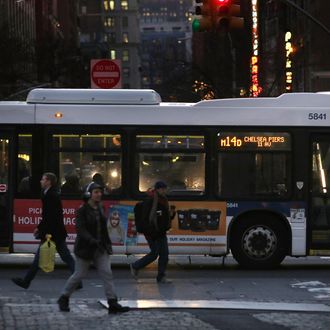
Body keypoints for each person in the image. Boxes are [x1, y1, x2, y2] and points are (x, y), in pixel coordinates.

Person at [57, 182, 129, 313]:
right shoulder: (82, 210)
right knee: (79, 275)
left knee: (107, 274)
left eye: (100, 192)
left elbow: (103, 228)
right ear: (89, 194)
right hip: (85, 248)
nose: (99, 194)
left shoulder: (101, 208)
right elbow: (80, 229)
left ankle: (112, 302)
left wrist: (107, 244)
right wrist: (91, 240)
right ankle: (64, 297)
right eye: (96, 192)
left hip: (100, 247)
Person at [12, 172, 77, 289]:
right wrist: (41, 227)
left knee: (43, 258)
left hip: (52, 233)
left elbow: (50, 216)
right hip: (55, 232)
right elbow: (48, 216)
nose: (41, 181)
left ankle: (26, 281)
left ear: (48, 182)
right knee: (66, 257)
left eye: (43, 179)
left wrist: (41, 228)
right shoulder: (47, 193)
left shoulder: (51, 195)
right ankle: (77, 281)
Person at [130, 181, 176, 283]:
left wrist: (172, 215)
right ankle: (135, 266)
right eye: (163, 189)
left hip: (161, 231)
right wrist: (152, 232)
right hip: (152, 232)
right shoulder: (150, 200)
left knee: (164, 254)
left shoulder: (163, 200)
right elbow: (147, 218)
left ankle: (161, 276)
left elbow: (164, 217)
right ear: (157, 189)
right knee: (155, 253)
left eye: (165, 189)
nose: (164, 191)